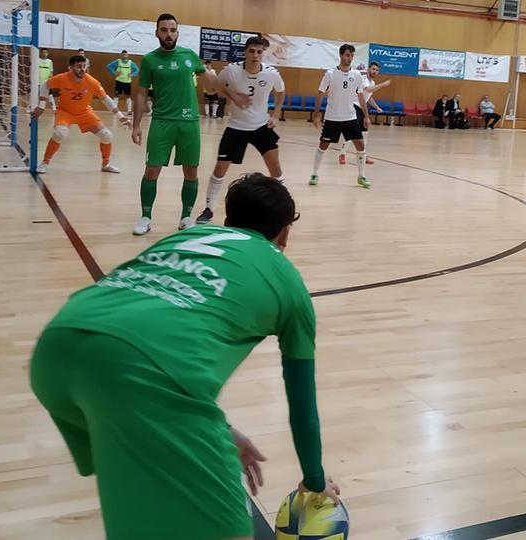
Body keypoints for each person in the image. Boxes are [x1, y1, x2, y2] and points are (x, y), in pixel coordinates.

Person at [30, 173, 341, 540]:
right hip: (143, 377)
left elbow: (149, 318)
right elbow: (302, 405)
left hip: (58, 347)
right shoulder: (288, 282)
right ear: (284, 234)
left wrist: (219, 430)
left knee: (142, 512)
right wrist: (315, 482)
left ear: (228, 219)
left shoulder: (186, 236)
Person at [130, 13, 248, 236]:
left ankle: (186, 217)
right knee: (151, 170)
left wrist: (233, 95)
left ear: (177, 32)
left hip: (189, 122)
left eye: (172, 30)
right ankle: (145, 217)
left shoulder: (190, 56)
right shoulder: (149, 60)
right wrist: (136, 126)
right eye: (164, 30)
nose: (168, 34)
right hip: (162, 122)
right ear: (157, 33)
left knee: (191, 171)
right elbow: (140, 94)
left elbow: (211, 83)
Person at [196, 36, 286, 225]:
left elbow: (280, 91)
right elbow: (216, 87)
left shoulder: (272, 74)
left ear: (263, 54)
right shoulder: (231, 70)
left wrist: (276, 115)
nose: (255, 55)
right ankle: (209, 209)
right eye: (251, 51)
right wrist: (234, 96)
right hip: (236, 126)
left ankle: (282, 207)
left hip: (262, 125)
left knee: (275, 168)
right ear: (245, 52)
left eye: (259, 52)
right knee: (220, 169)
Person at [31, 55, 130, 174]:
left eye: (84, 66)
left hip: (84, 112)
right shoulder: (62, 78)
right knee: (59, 133)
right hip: (65, 112)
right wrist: (41, 106)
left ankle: (106, 164)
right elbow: (44, 86)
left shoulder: (92, 82)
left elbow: (105, 99)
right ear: (70, 68)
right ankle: (45, 163)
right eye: (78, 66)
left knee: (107, 135)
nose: (82, 69)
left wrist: (121, 117)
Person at [310, 43, 371, 189]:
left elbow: (361, 96)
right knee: (323, 146)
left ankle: (361, 176)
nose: (349, 58)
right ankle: (314, 174)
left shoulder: (356, 75)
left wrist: (366, 116)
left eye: (352, 55)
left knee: (360, 145)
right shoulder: (330, 74)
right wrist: (317, 115)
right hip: (332, 117)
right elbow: (320, 93)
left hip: (350, 117)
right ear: (341, 55)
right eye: (347, 55)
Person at [338, 61, 390, 165]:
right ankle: (342, 154)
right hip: (354, 107)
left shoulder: (373, 82)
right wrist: (383, 84)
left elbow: (369, 96)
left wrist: (377, 107)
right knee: (352, 133)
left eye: (377, 70)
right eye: (373, 69)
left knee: (365, 134)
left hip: (363, 109)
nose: (374, 71)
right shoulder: (363, 79)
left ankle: (363, 155)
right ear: (368, 69)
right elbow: (369, 89)